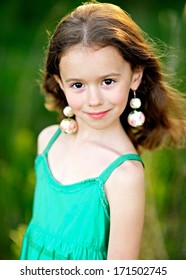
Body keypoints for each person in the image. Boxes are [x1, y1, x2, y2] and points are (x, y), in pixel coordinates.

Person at [20, 1, 186, 260]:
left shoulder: (123, 175)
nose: (94, 99)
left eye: (108, 81)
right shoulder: (48, 141)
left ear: (135, 76)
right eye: (78, 85)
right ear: (60, 84)